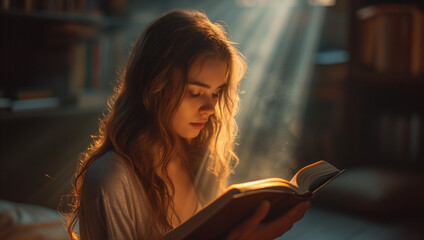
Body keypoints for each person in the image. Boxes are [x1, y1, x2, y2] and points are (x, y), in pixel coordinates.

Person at [66, 9, 310, 240]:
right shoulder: (112, 177)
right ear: (154, 87)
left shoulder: (198, 161)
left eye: (216, 93)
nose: (211, 108)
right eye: (195, 92)